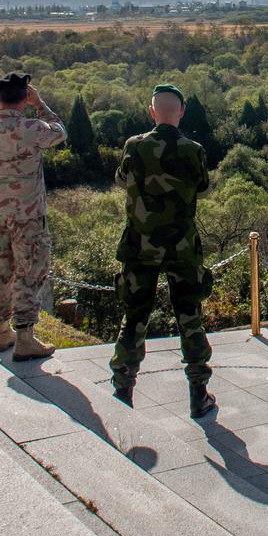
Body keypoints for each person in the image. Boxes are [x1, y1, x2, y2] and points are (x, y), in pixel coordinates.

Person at [110, 83, 217, 418]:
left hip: (140, 246)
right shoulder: (192, 149)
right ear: (181, 112)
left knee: (134, 317)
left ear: (151, 111)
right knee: (189, 317)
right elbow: (202, 186)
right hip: (182, 248)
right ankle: (198, 394)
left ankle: (123, 389)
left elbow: (120, 179)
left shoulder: (134, 146)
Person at [0, 73, 66, 360]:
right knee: (30, 272)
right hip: (28, 215)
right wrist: (40, 103)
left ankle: (1, 330)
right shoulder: (31, 127)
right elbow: (60, 130)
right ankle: (26, 337)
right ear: (24, 98)